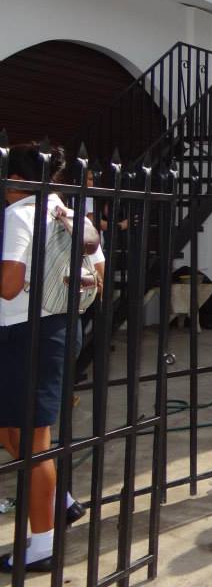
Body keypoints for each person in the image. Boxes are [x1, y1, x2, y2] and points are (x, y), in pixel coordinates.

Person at [1, 143, 104, 572]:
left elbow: (8, 285)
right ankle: (58, 502)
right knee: (13, 430)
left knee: (32, 443)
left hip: (26, 336)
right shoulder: (69, 214)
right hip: (60, 331)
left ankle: (42, 546)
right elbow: (97, 274)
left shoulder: (20, 213)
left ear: (19, 179)